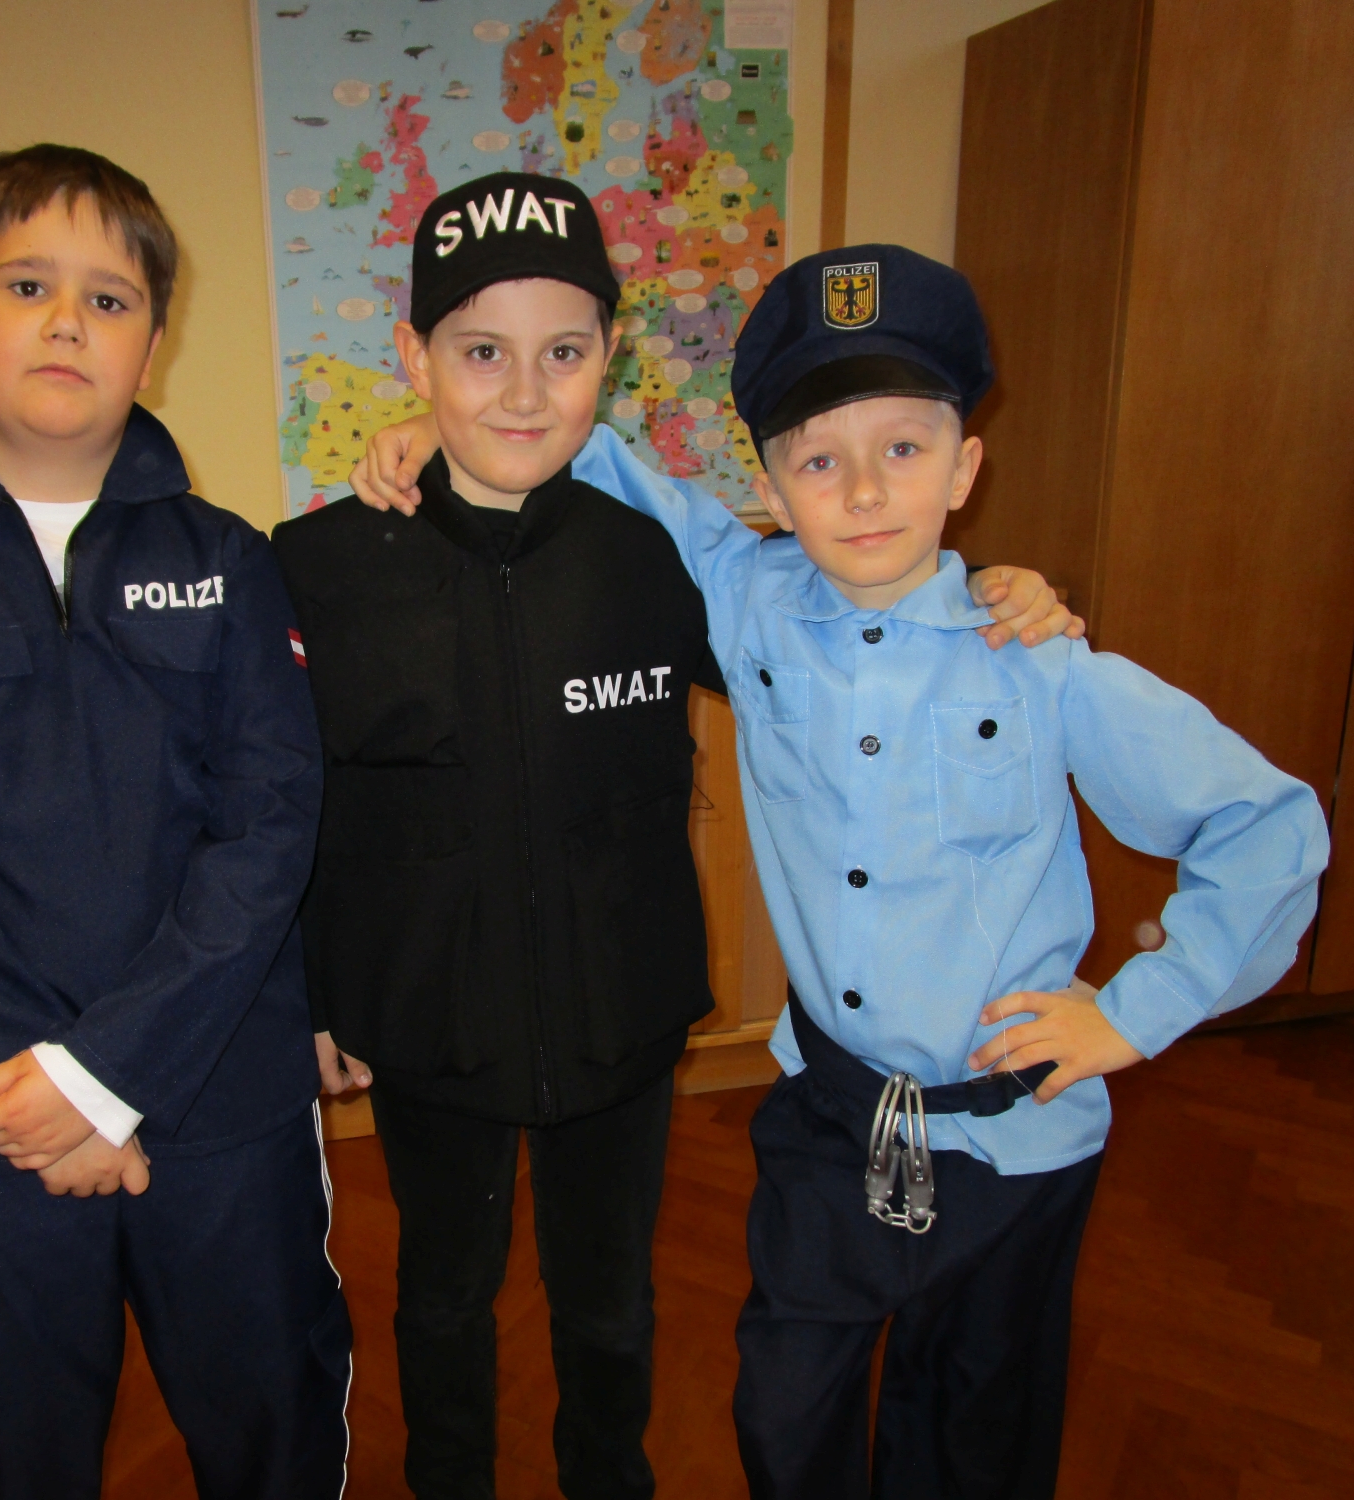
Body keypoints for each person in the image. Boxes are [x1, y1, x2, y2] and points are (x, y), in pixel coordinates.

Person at [352, 243, 1329, 1499]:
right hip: (828, 1127)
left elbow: (1266, 826)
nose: (863, 491)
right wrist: (433, 433)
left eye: (904, 448)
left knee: (972, 1440)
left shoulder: (1034, 658)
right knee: (784, 1414)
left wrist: (1134, 1015)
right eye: (817, 461)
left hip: (1016, 1146)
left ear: (964, 468)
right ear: (769, 484)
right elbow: (588, 458)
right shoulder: (747, 602)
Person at [277, 176, 1078, 1500]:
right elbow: (288, 800)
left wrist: (999, 592)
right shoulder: (319, 565)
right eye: (479, 353)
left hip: (619, 1016)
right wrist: (309, 997)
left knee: (608, 1304)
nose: (521, 391)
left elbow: (844, 622)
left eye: (563, 353)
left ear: (608, 357)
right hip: (424, 1019)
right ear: (413, 357)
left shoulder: (657, 558)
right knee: (441, 1297)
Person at [0, 144, 349, 1500]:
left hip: (219, 1097)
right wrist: (48, 1089)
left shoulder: (228, 560)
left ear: (154, 344)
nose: (66, 323)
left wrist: (107, 1075)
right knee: (4, 1437)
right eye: (27, 285)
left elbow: (269, 824)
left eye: (109, 299)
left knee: (271, 1416)